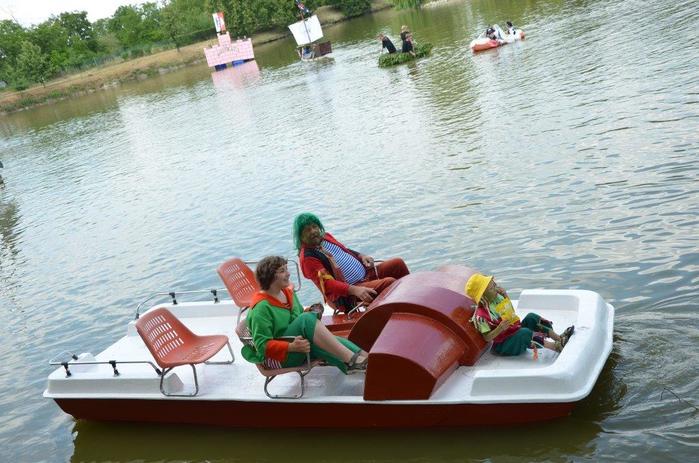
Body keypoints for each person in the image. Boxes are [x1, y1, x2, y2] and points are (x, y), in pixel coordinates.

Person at [242, 256, 369, 372]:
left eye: (286, 269)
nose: (288, 273)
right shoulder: (261, 308)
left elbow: (298, 317)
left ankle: (367, 359)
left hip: (296, 344)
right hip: (277, 358)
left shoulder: (287, 293)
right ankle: (353, 361)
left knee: (330, 340)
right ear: (269, 277)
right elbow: (262, 346)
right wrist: (291, 347)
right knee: (308, 322)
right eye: (282, 271)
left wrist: (311, 311)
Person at [294, 212, 410, 312]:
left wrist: (361, 256)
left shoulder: (325, 237)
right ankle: (403, 312)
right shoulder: (308, 258)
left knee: (397, 264)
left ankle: (412, 299)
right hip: (349, 292)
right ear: (300, 236)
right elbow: (327, 284)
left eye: (314, 227)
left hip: (365, 274)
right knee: (389, 283)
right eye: (308, 230)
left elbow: (344, 250)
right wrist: (354, 290)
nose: (313, 231)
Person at [465, 273, 575, 356]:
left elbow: (511, 314)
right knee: (524, 333)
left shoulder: (497, 298)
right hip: (503, 345)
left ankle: (558, 338)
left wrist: (505, 296)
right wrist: (500, 328)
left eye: (494, 284)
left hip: (513, 331)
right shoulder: (481, 316)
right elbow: (487, 337)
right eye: (491, 288)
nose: (495, 288)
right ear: (483, 296)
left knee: (531, 317)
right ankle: (556, 347)